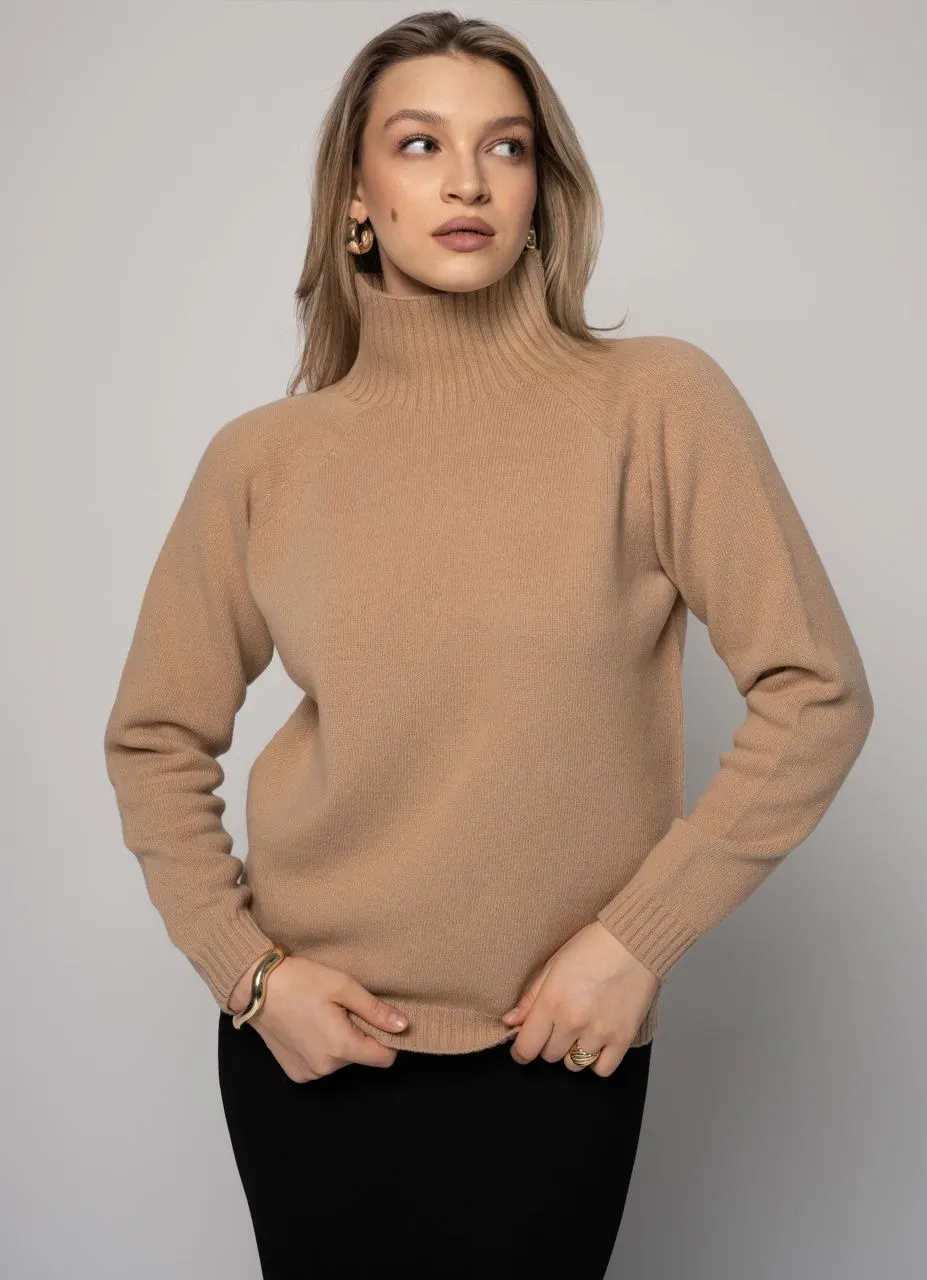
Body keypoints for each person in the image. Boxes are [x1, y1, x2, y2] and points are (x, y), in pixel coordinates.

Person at [102, 10, 874, 1278]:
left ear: (539, 191)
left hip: (553, 1044)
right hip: (311, 1049)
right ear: (357, 199)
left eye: (504, 147)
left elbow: (818, 694)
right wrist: (250, 976)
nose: (466, 180)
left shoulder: (655, 404)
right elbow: (153, 737)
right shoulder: (264, 460)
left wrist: (638, 937)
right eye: (420, 144)